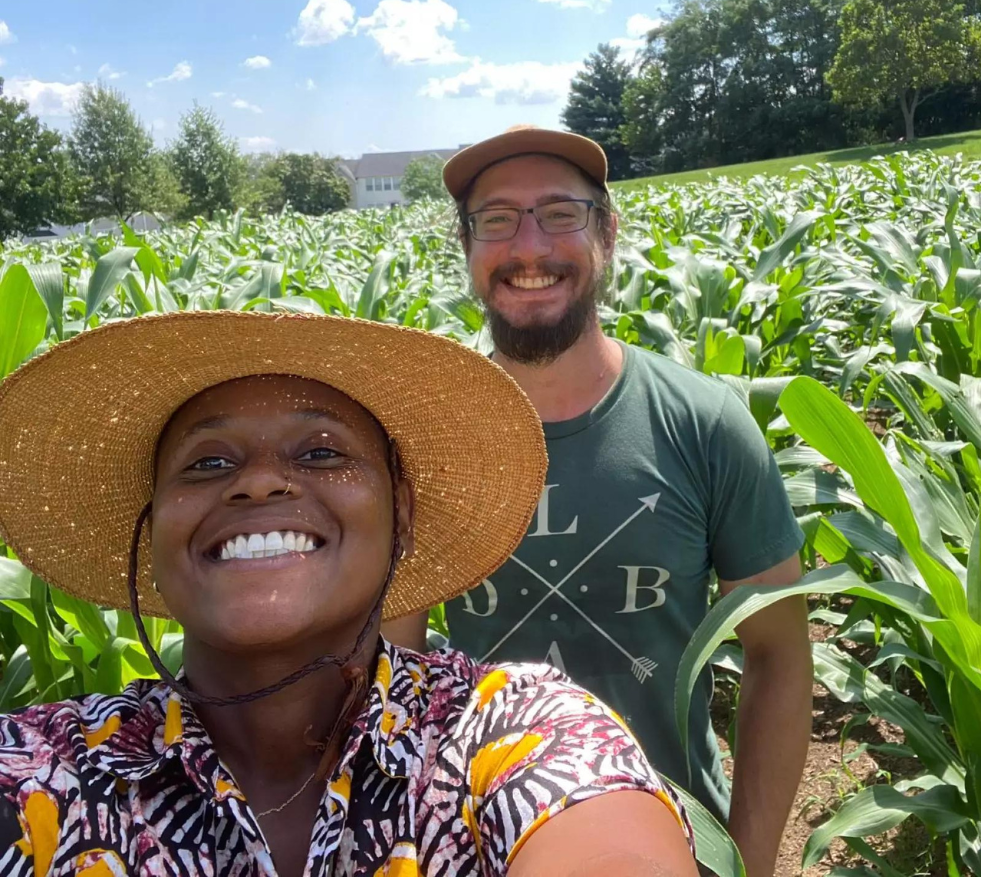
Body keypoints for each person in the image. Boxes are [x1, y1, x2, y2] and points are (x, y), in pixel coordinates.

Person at [0, 310, 697, 877]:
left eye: (322, 453)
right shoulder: (44, 767)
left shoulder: (515, 734)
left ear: (402, 512)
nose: (259, 482)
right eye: (207, 462)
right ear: (151, 531)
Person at [384, 126, 812, 877]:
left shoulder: (706, 426)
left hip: (683, 843)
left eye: (560, 214)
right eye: (496, 219)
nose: (528, 248)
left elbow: (778, 657)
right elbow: (394, 669)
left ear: (607, 233)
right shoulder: (424, 446)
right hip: (485, 843)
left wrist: (747, 865)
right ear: (466, 246)